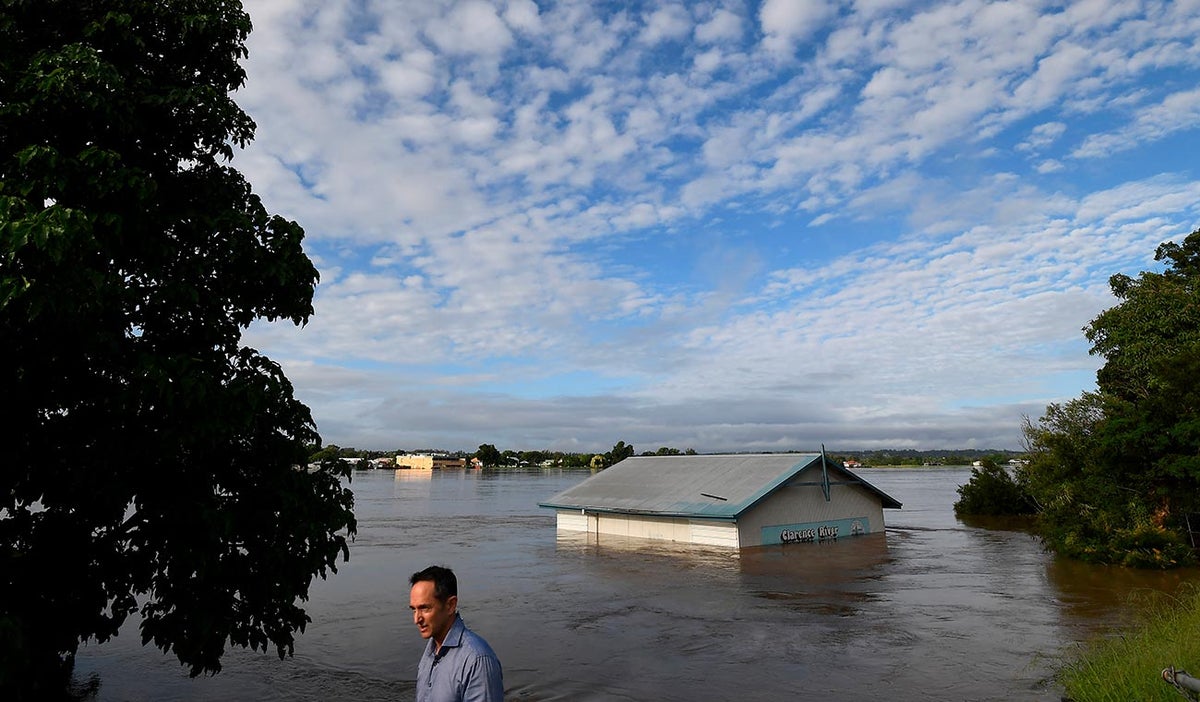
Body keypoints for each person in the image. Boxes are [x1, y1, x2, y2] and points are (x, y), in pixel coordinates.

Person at [409, 565, 504, 702]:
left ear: (450, 605)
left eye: (425, 608)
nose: (416, 619)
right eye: (414, 609)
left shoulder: (477, 660)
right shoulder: (430, 652)